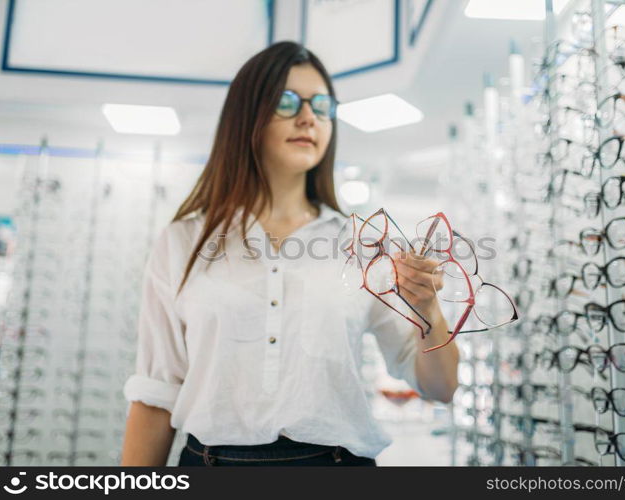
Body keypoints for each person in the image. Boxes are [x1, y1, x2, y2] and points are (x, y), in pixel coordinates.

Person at [119, 41, 458, 467]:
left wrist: (429, 312)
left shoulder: (364, 245)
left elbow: (440, 387)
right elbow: (156, 394)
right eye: (286, 101)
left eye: (321, 105)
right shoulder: (183, 241)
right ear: (247, 116)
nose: (308, 117)